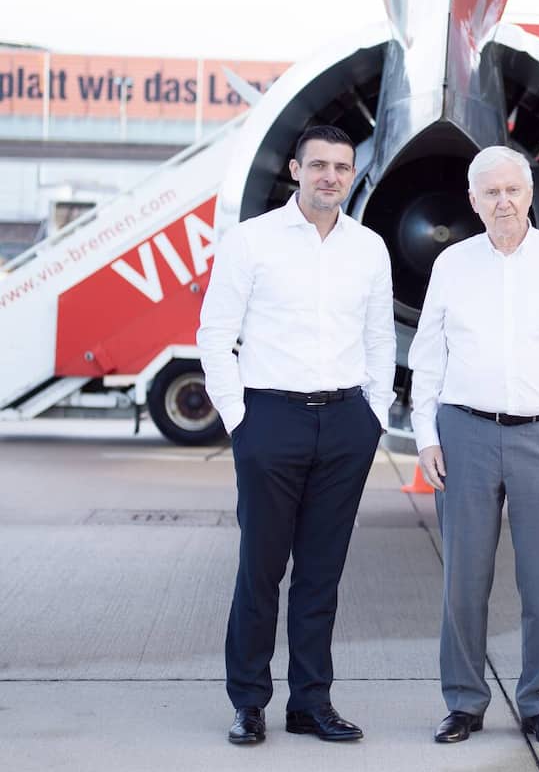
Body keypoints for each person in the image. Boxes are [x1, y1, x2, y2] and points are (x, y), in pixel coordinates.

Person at [198, 124, 395, 746]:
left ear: (351, 175)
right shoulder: (251, 242)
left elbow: (380, 339)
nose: (330, 177)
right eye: (318, 165)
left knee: (321, 573)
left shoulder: (369, 249)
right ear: (295, 169)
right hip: (269, 420)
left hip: (345, 423)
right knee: (260, 569)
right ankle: (249, 701)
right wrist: (239, 420)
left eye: (341, 167)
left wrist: (375, 415)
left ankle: (311, 702)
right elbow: (214, 334)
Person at [409, 144, 539, 748]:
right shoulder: (451, 264)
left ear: (529, 196)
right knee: (463, 582)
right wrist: (425, 436)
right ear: (472, 201)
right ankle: (464, 703)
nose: (503, 201)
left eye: (512, 190)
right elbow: (428, 355)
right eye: (490, 192)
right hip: (465, 433)